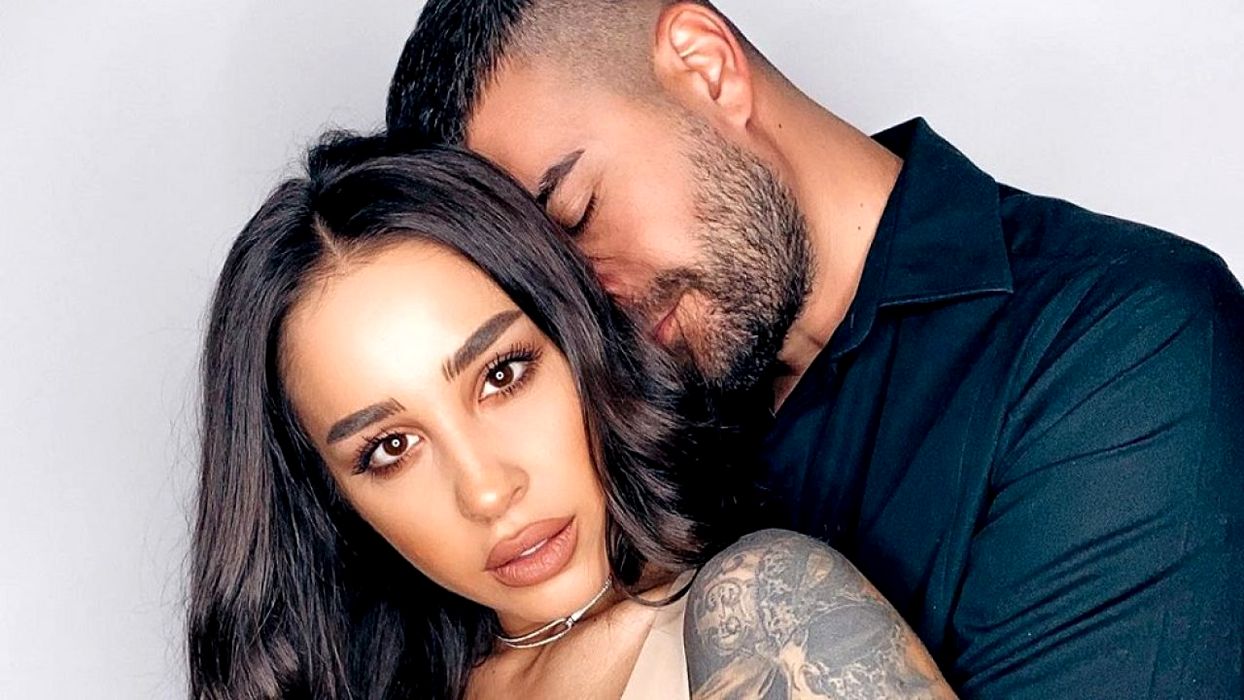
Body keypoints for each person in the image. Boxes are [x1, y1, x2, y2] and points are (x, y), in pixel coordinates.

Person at [385, 1, 1244, 697]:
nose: (589, 301)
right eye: (543, 286)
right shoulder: (613, 428)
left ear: (707, 68)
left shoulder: (1121, 340)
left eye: (576, 214)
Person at [188, 133, 956, 698]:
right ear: (331, 498)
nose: (486, 490)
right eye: (390, 447)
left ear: (581, 339)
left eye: (502, 375)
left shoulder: (769, 614)